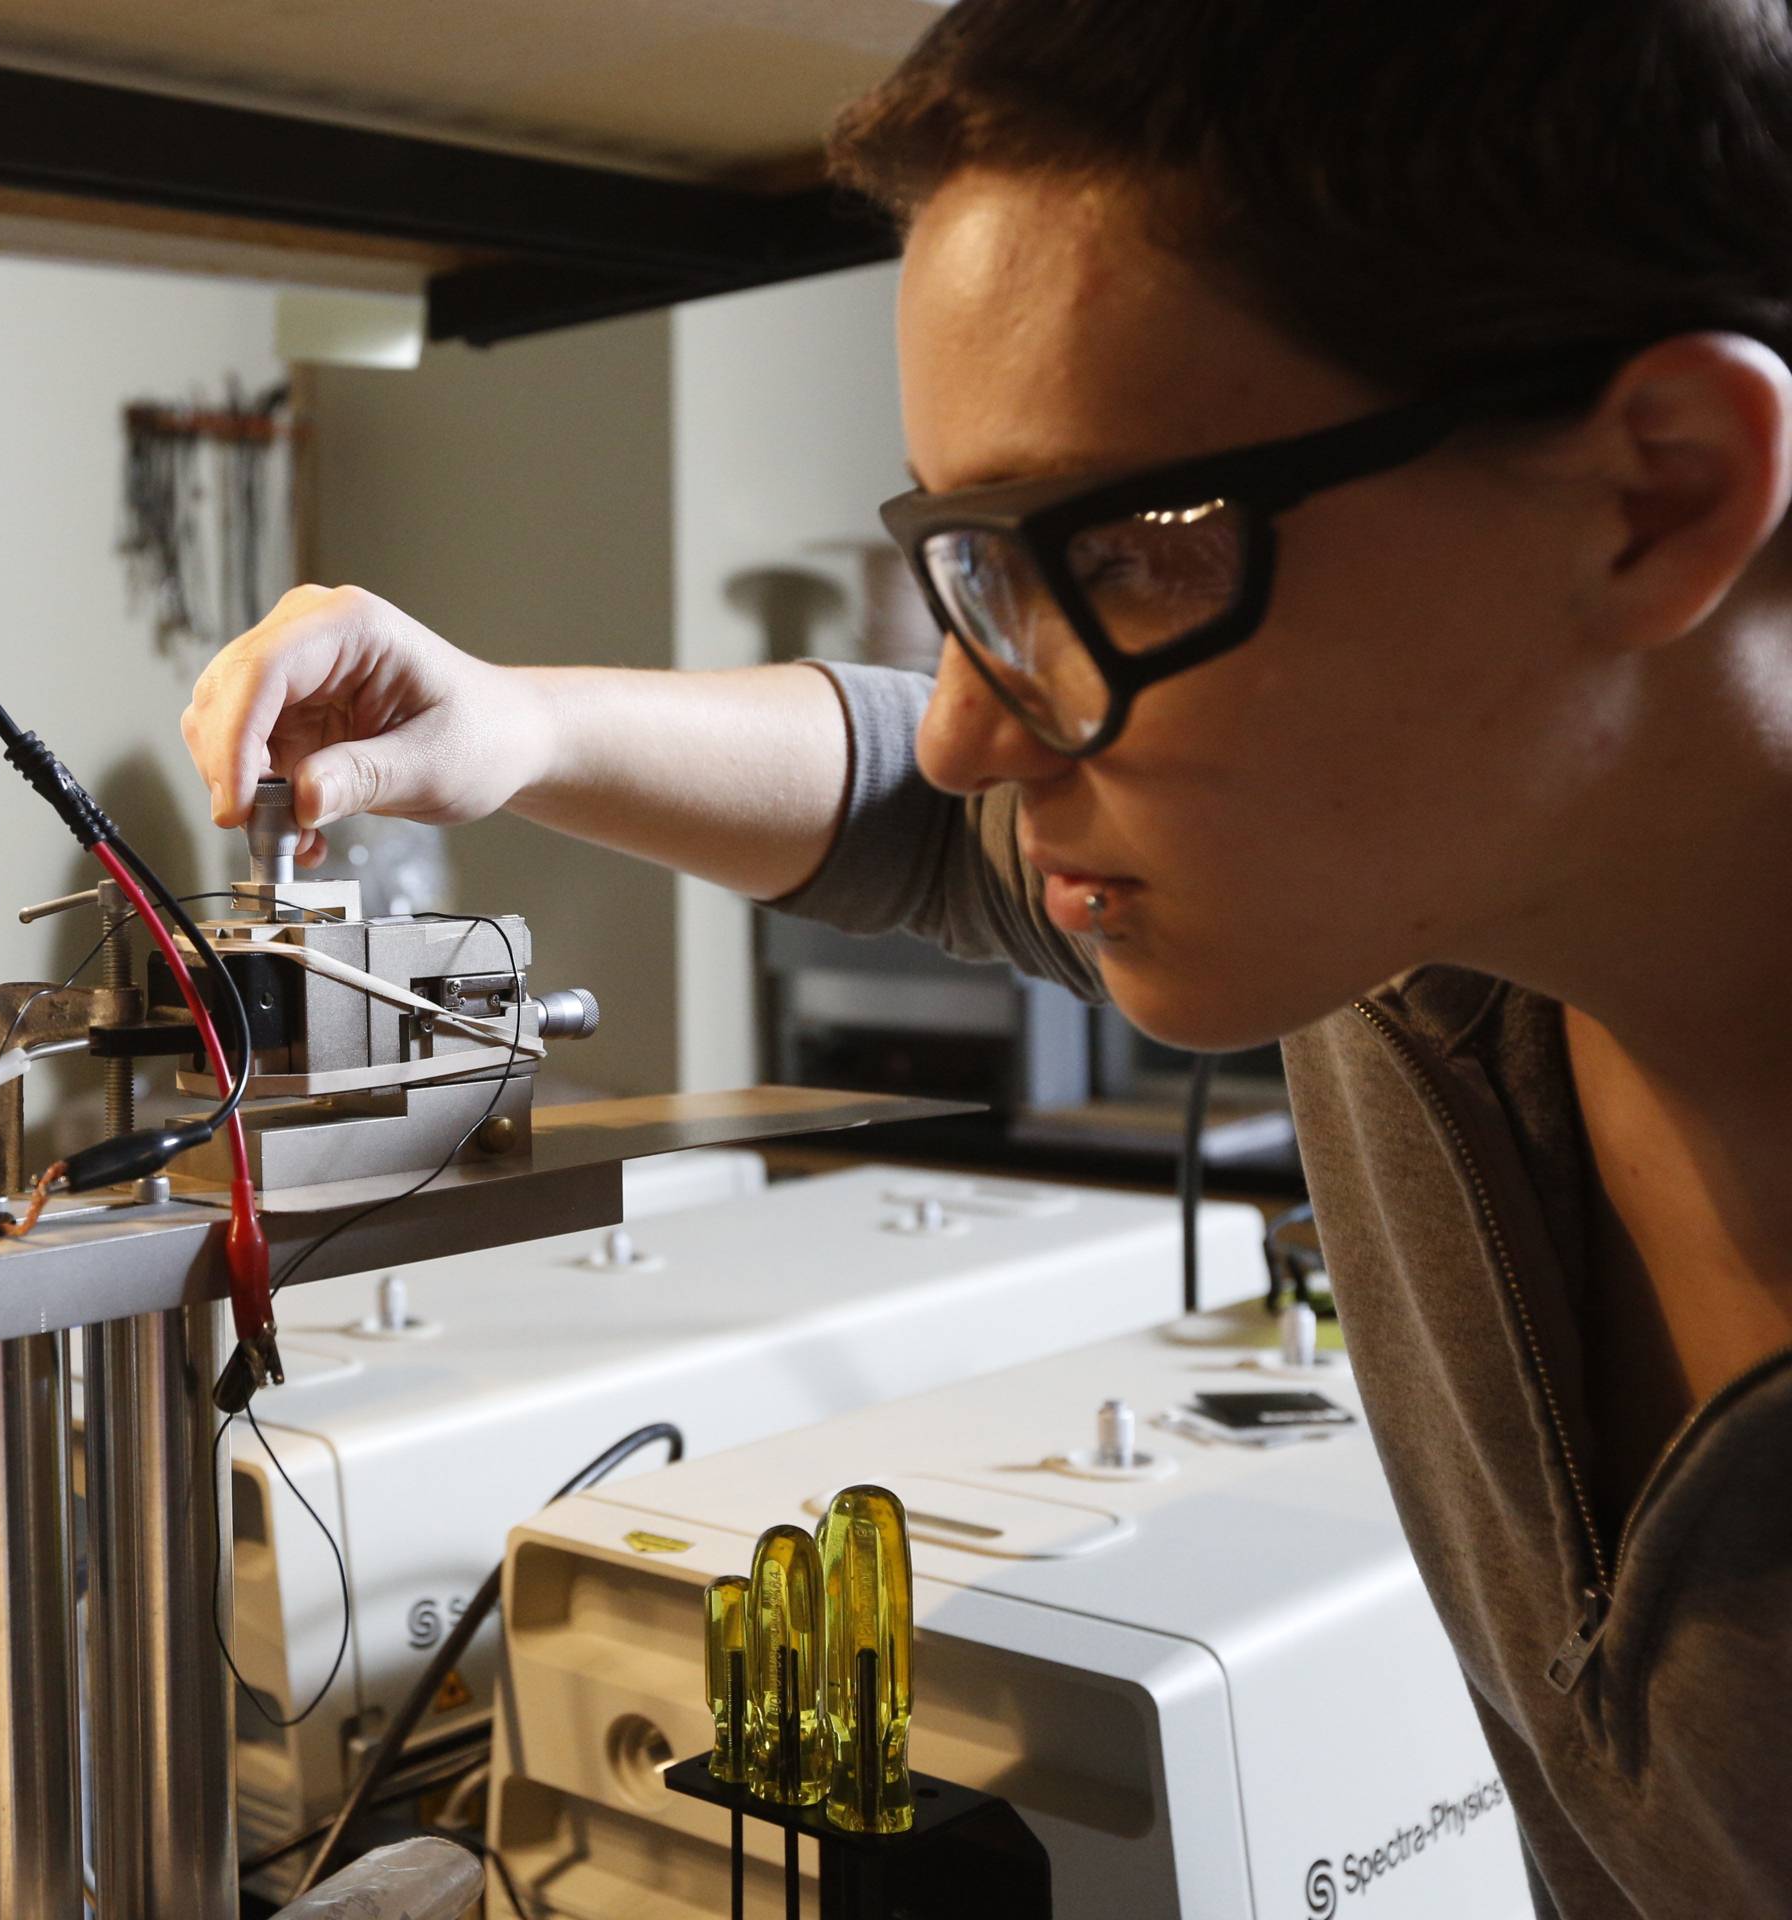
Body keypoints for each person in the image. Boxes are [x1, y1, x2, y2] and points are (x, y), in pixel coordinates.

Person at [177, 3, 1792, 1913]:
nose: (969, 725)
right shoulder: (1409, 925)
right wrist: (515, 722)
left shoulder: (1366, 867)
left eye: (1121, 553)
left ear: (1661, 489)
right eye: (970, 563)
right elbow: (919, 808)